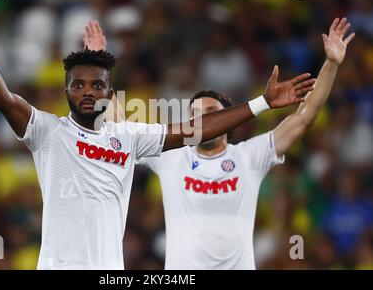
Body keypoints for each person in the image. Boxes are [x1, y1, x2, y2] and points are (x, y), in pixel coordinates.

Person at [0, 0, 315, 270]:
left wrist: (262, 103)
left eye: (97, 85)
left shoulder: (129, 136)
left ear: (111, 95)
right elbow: (4, 98)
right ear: (66, 92)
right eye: (78, 85)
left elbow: (196, 130)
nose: (87, 91)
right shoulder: (47, 132)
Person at [137, 18, 355, 269]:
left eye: (211, 113)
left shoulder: (250, 156)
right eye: (196, 114)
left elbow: (305, 116)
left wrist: (331, 63)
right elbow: (118, 125)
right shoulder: (169, 156)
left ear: (227, 121)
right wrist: (96, 60)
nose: (203, 119)